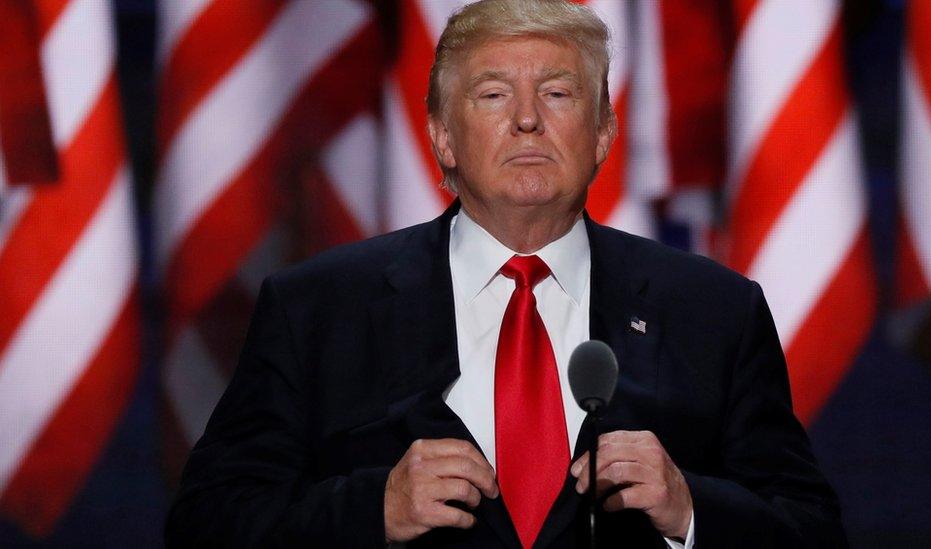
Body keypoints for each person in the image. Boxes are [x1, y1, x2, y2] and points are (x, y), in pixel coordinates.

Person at [166, 1, 846, 547]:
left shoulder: (713, 311)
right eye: (493, 95)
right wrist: (372, 507)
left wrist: (691, 510)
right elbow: (205, 523)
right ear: (442, 137)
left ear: (605, 131)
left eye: (558, 92)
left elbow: (813, 530)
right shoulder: (318, 310)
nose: (527, 119)